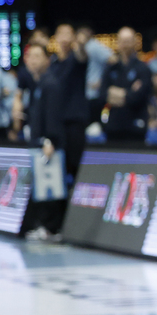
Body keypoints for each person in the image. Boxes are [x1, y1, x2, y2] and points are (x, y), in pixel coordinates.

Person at [25, 24, 90, 241]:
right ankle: (48, 226)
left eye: (37, 56)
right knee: (49, 183)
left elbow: (52, 115)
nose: (32, 60)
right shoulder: (47, 76)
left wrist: (49, 139)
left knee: (57, 183)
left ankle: (55, 227)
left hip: (60, 137)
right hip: (48, 138)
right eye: (30, 56)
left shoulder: (54, 79)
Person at [99, 27, 153, 144]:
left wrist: (116, 93)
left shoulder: (143, 68)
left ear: (135, 42)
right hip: (113, 127)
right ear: (118, 43)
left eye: (128, 41)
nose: (125, 45)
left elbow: (139, 96)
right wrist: (129, 92)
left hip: (135, 128)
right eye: (123, 41)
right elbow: (103, 94)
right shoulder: (110, 68)